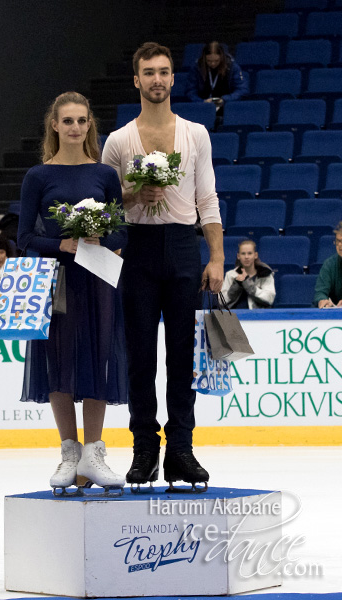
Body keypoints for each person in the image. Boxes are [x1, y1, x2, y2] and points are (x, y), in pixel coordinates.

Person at [102, 42, 224, 489]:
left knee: (181, 357)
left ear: (173, 79)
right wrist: (135, 195)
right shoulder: (118, 141)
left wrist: (216, 256)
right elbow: (105, 208)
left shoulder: (195, 134)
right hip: (136, 249)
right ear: (136, 80)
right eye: (148, 72)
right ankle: (143, 449)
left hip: (181, 246)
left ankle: (181, 450)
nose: (157, 79)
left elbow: (207, 198)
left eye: (164, 72)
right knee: (139, 358)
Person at [17, 92, 127, 491]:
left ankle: (94, 454)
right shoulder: (39, 176)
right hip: (57, 278)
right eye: (68, 121)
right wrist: (63, 244)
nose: (76, 128)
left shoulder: (104, 174)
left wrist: (104, 237)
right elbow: (24, 236)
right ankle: (69, 453)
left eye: (82, 121)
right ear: (55, 125)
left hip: (98, 276)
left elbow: (121, 230)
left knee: (99, 358)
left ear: (89, 125)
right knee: (58, 361)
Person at [185, 41, 249, 111]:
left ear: (222, 57)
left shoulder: (231, 67)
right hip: (202, 106)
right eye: (209, 61)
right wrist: (201, 102)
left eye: (216, 61)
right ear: (204, 58)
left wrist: (224, 99)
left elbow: (242, 89)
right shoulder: (197, 67)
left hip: (226, 105)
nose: (213, 64)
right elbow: (190, 91)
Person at [221, 239, 275, 309]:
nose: (246, 257)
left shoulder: (265, 274)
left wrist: (248, 284)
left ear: (255, 255)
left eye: (249, 253)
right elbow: (222, 301)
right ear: (238, 256)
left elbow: (269, 299)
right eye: (243, 253)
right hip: (233, 316)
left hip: (258, 316)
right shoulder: (231, 275)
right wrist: (236, 284)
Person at [314, 222, 342, 308]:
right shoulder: (329, 264)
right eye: (338, 241)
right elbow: (320, 292)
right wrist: (322, 300)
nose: (340, 245)